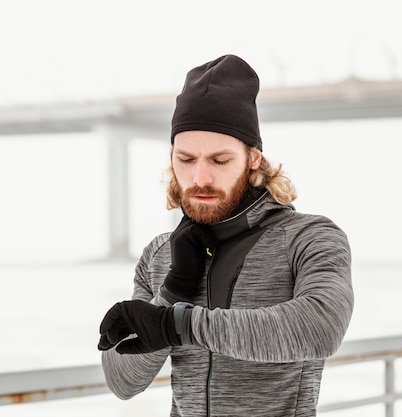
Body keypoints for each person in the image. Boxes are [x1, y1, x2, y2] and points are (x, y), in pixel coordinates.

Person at [97, 54, 354, 417]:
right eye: (186, 160)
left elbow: (321, 326)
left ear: (253, 158)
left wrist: (180, 324)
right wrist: (172, 289)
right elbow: (123, 382)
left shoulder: (308, 237)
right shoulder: (160, 254)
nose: (200, 178)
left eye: (219, 161)